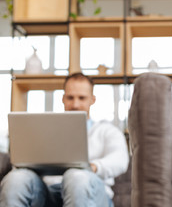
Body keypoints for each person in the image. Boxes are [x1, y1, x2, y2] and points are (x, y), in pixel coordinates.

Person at [0, 72, 129, 207]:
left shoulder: (106, 131)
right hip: (49, 193)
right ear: (63, 99)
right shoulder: (44, 131)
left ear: (92, 99)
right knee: (16, 178)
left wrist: (93, 167)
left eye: (82, 98)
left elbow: (120, 159)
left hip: (90, 193)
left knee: (76, 176)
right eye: (70, 97)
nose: (75, 104)